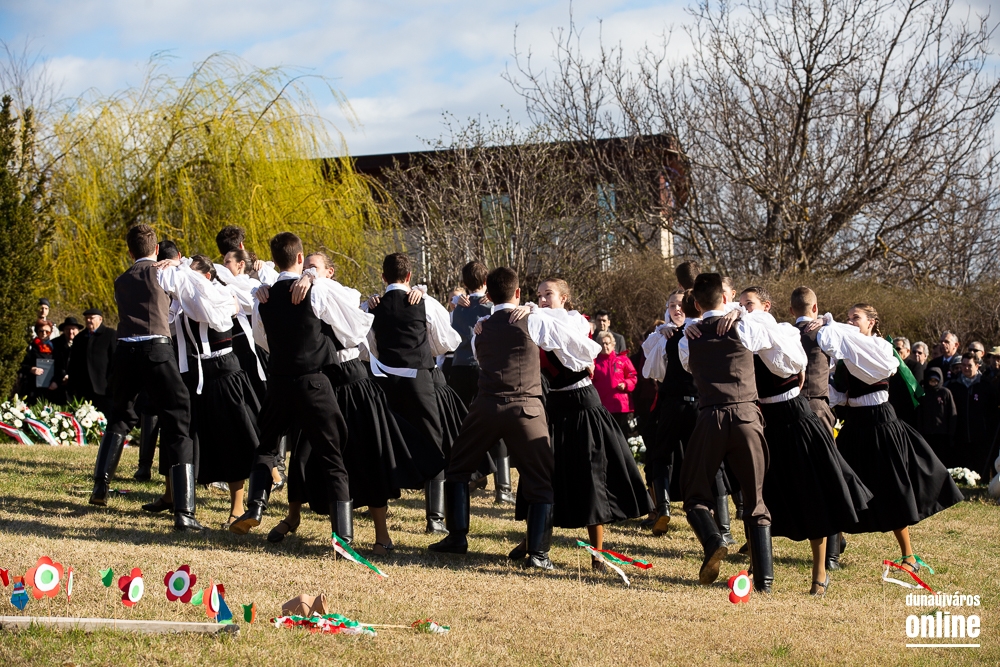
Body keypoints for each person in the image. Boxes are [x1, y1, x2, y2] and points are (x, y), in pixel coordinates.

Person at [257, 251, 443, 555]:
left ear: (329, 272)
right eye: (306, 267)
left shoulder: (336, 292)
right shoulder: (301, 295)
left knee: (368, 459)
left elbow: (356, 319)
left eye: (314, 268)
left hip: (352, 385)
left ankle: (382, 535)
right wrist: (262, 288)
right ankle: (293, 517)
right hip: (321, 386)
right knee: (302, 456)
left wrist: (312, 278)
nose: (307, 272)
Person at [429, 267, 597, 569]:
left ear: (489, 295)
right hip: (526, 408)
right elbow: (581, 346)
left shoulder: (481, 327)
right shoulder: (534, 320)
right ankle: (539, 554)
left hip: (486, 407)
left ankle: (456, 537)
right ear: (518, 293)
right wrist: (536, 313)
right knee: (541, 479)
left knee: (458, 468)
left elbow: (479, 357)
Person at [811, 303, 963, 575]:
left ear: (871, 322)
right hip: (855, 424)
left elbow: (876, 370)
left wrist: (831, 325)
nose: (850, 322)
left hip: (881, 423)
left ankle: (909, 556)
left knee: (892, 488)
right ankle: (835, 546)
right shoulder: (847, 349)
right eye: (848, 318)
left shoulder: (879, 347)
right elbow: (842, 392)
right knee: (840, 481)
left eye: (855, 318)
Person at [738, 286, 872, 596]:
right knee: (761, 495)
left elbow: (801, 365)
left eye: (749, 304)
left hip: (798, 418)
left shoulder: (782, 333)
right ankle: (758, 566)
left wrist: (827, 322)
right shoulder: (742, 334)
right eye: (740, 304)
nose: (744, 309)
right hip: (765, 423)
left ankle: (820, 573)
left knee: (814, 493)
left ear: (767, 306)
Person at [229, 232, 354, 548]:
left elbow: (262, 341)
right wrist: (314, 279)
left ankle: (256, 506)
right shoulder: (316, 290)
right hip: (313, 382)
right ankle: (343, 536)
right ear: (300, 258)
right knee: (332, 456)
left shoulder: (262, 297)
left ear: (274, 259)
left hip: (279, 382)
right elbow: (352, 329)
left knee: (266, 446)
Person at [528, 278, 651, 572]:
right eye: (539, 295)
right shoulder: (536, 322)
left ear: (564, 298)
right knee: (547, 475)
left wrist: (532, 313)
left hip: (584, 404)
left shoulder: (575, 322)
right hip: (554, 405)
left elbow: (569, 341)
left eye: (548, 294)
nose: (542, 299)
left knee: (592, 476)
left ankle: (597, 554)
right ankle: (532, 542)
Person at [88, 224, 203, 532]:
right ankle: (184, 511)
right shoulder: (164, 273)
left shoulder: (121, 279)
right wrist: (177, 263)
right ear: (156, 250)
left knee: (120, 415)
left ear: (130, 252)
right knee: (179, 419)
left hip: (125, 351)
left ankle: (101, 484)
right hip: (156, 348)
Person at [677, 273, 774, 590]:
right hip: (746, 415)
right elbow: (770, 338)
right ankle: (764, 581)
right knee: (755, 498)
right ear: (726, 296)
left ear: (695, 303)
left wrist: (695, 325)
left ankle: (713, 539)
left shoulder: (687, 337)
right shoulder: (745, 325)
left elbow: (687, 366)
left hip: (710, 416)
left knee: (694, 493)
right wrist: (741, 312)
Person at [364, 253, 461, 534]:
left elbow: (367, 347)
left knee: (384, 443)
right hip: (419, 380)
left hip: (384, 381)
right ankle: (435, 519)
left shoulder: (371, 307)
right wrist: (421, 350)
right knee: (433, 442)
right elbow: (447, 342)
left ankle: (381, 511)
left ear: (383, 277)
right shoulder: (425, 302)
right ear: (409, 276)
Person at [448, 261, 513, 503]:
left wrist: (456, 301)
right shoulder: (492, 306)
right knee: (497, 423)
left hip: (459, 368)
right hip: (485, 367)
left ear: (464, 283)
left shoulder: (457, 307)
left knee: (464, 425)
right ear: (486, 281)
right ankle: (503, 488)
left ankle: (471, 476)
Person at [641, 290, 701, 537]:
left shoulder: (701, 330)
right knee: (660, 455)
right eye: (672, 305)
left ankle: (711, 517)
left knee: (700, 459)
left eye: (681, 305)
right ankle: (663, 508)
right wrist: (662, 333)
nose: (677, 309)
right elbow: (653, 369)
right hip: (671, 404)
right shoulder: (663, 335)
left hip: (697, 404)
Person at [946, 352, 999, 478]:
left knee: (980, 471)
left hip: (981, 437)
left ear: (977, 366)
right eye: (963, 365)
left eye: (969, 365)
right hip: (960, 436)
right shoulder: (953, 385)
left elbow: (993, 411)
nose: (966, 368)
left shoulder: (986, 386)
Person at [67, 308, 117, 416]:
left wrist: (112, 383)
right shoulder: (79, 338)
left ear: (100, 319)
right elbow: (73, 364)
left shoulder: (110, 335)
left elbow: (115, 362)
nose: (89, 320)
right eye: (87, 318)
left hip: (104, 389)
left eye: (92, 318)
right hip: (84, 389)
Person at [592, 330, 638, 436]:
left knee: (621, 435)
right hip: (602, 405)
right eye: (602, 344)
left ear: (612, 345)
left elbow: (633, 377)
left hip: (620, 405)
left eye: (607, 343)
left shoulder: (623, 360)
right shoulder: (594, 362)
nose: (604, 346)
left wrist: (625, 384)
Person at [916, 367, 957, 466]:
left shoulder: (945, 392)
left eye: (935, 380)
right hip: (927, 433)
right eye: (931, 380)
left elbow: (952, 413)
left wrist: (951, 433)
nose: (933, 382)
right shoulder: (923, 394)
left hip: (942, 434)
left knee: (942, 459)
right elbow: (919, 415)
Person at [19, 319, 56, 404]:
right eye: (41, 331)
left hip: (50, 387)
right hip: (33, 387)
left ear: (50, 333)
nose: (44, 333)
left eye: (47, 331)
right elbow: (21, 365)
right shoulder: (30, 347)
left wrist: (56, 381)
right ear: (37, 332)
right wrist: (31, 369)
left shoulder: (55, 348)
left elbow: (59, 366)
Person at [50, 317, 83, 404]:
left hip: (76, 386)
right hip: (57, 384)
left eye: (73, 329)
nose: (70, 332)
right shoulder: (54, 343)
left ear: (78, 330)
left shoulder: (83, 344)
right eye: (68, 329)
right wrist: (62, 376)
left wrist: (71, 376)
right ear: (63, 330)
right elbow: (51, 363)